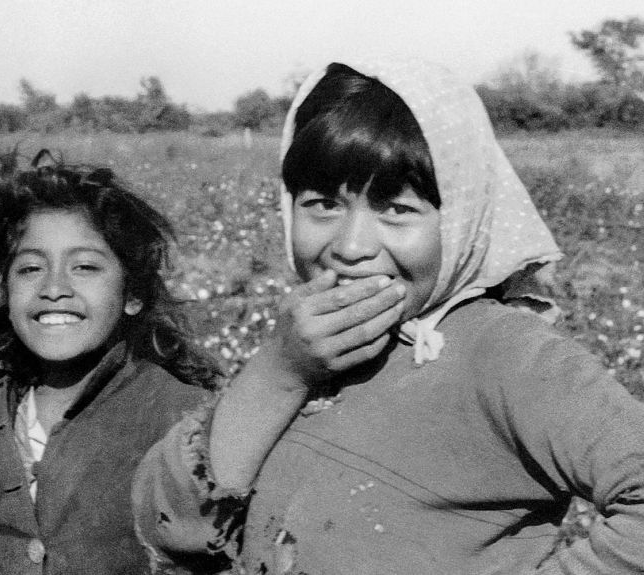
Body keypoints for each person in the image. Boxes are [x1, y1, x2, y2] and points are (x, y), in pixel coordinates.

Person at [132, 58, 644, 574]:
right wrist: (278, 374)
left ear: (462, 217)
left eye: (397, 208)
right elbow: (174, 525)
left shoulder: (508, 356)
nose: (352, 247)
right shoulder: (303, 345)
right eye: (322, 204)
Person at [0, 150, 220, 575]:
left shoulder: (179, 414)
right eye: (30, 268)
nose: (54, 287)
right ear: (7, 293)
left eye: (85, 267)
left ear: (133, 296)